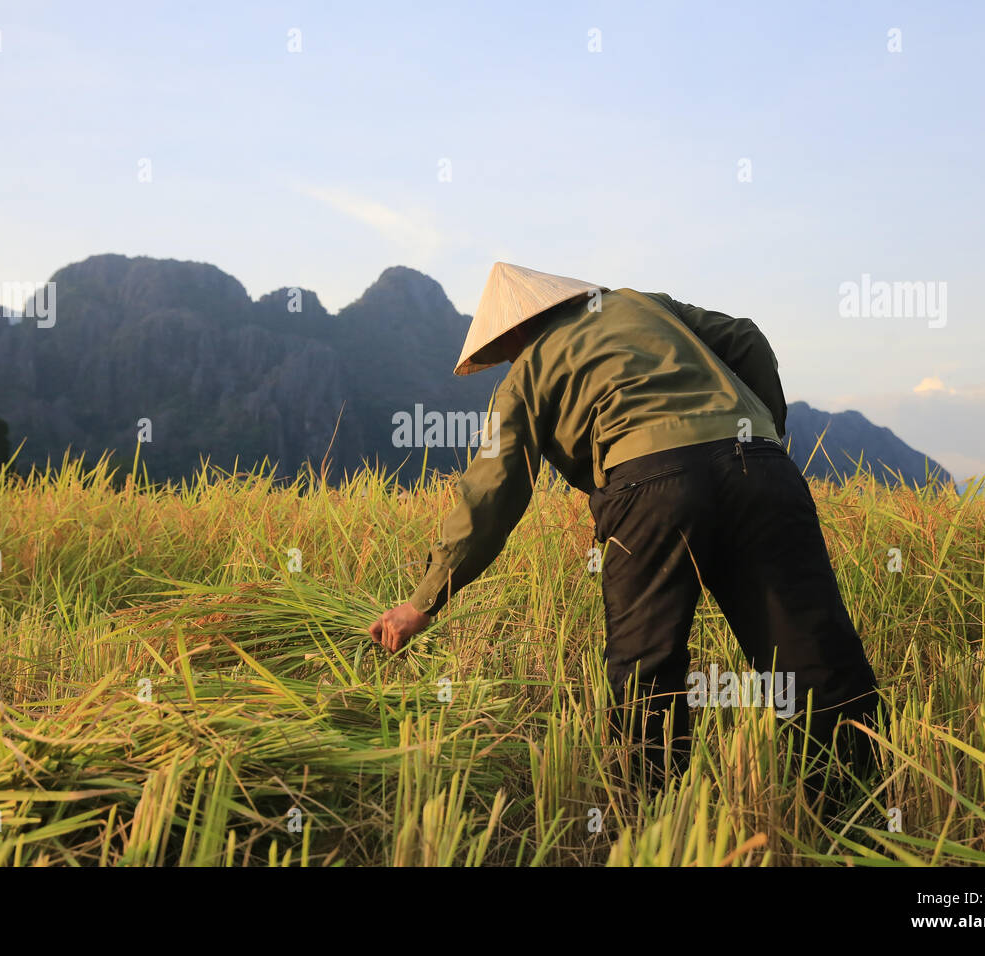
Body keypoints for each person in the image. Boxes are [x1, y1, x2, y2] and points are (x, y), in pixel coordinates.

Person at [368, 262, 880, 794]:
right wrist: (759, 436)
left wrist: (423, 601)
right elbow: (747, 338)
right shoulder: (643, 304)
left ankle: (659, 821)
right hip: (762, 472)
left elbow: (491, 492)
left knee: (646, 671)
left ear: (515, 330)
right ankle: (855, 818)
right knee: (815, 658)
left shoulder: (527, 373)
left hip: (652, 490)